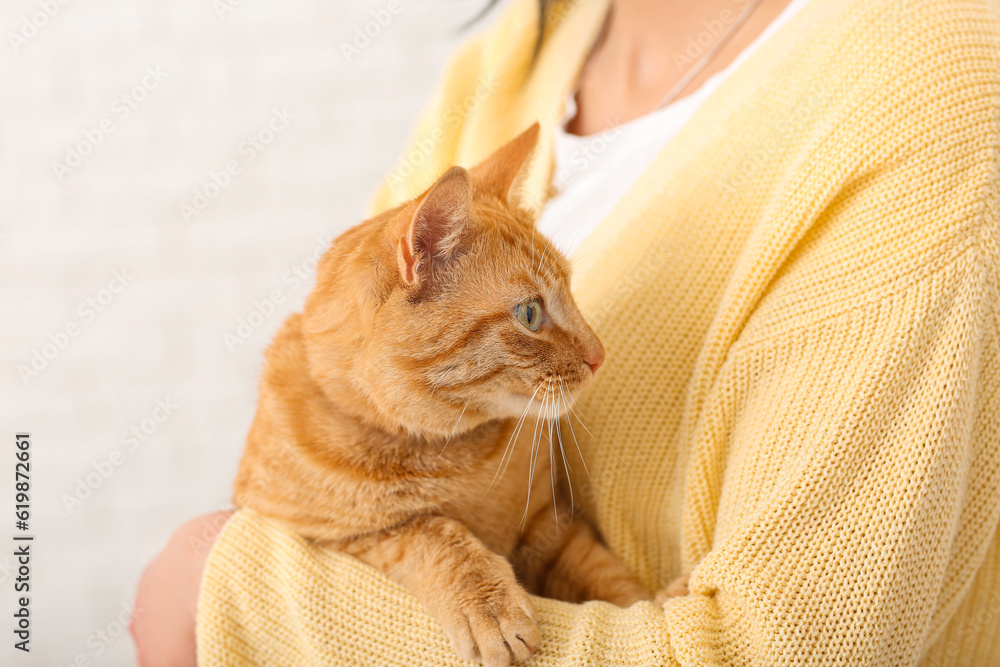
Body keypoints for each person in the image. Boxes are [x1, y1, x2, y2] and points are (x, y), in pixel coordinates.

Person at [132, 0, 1000, 664]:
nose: (594, 352)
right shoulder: (509, 61)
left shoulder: (934, 90)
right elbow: (352, 438)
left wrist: (230, 588)